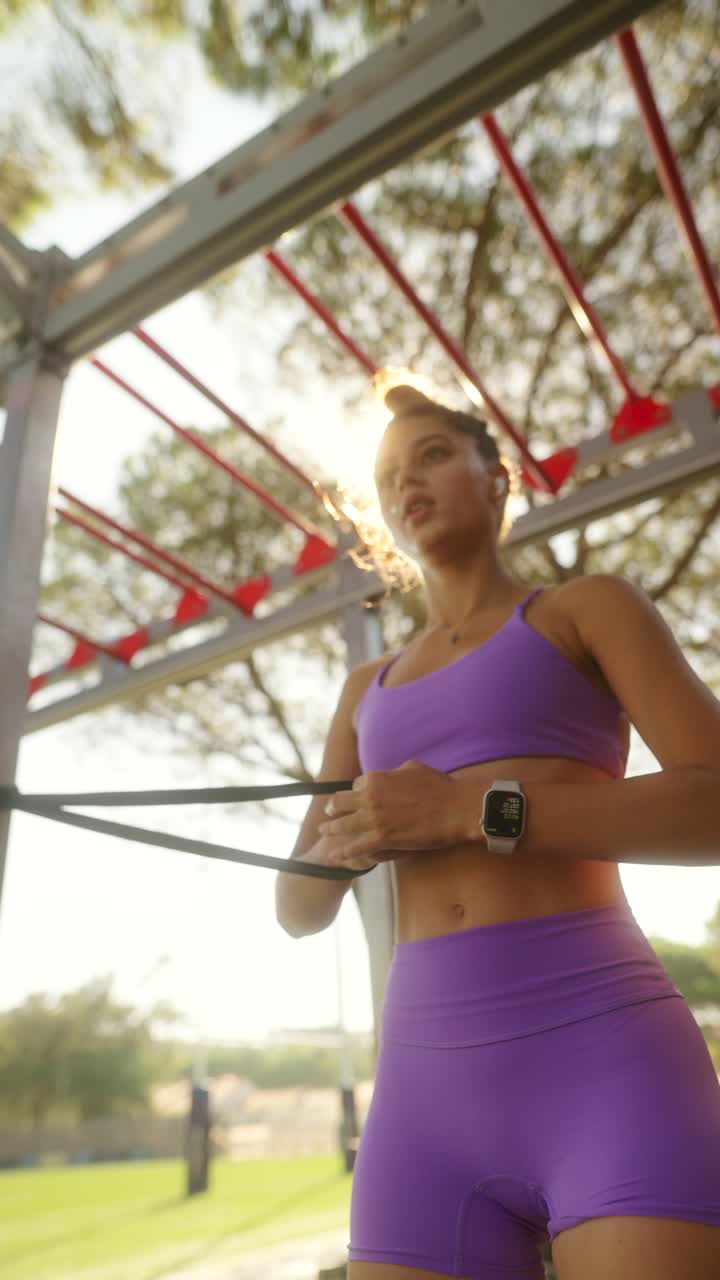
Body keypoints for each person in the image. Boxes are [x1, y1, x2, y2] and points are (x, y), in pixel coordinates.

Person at [275, 384, 720, 1280]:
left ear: (499, 476)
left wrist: (464, 811)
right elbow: (297, 907)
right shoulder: (364, 693)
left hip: (607, 1062)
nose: (408, 481)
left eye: (434, 453)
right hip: (420, 1096)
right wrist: (352, 838)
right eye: (388, 474)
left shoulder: (585, 610)